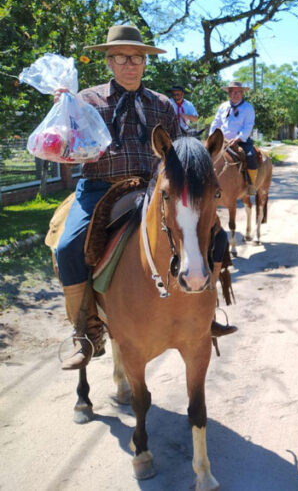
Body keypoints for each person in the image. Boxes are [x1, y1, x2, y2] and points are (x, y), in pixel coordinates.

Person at [54, 25, 233, 372]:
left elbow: (181, 155)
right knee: (68, 247)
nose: (130, 64)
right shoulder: (86, 101)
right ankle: (87, 332)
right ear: (108, 61)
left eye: (137, 57)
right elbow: (67, 142)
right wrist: (62, 109)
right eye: (121, 57)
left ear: (145, 62)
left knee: (218, 236)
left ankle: (205, 315)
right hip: (100, 187)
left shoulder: (163, 105)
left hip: (151, 189)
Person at [209, 81, 259, 193]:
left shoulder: (248, 108)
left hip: (241, 141)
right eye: (232, 92)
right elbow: (216, 123)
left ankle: (251, 184)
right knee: (206, 156)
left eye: (238, 92)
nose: (235, 94)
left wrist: (237, 139)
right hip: (221, 141)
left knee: (250, 156)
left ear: (242, 93)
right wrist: (211, 137)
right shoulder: (223, 106)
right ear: (229, 93)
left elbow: (248, 126)